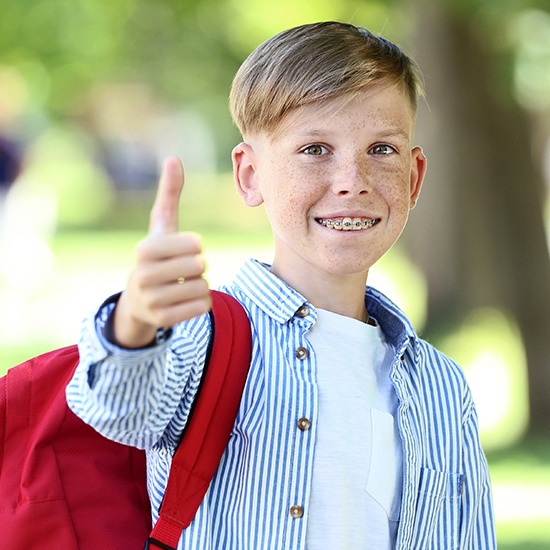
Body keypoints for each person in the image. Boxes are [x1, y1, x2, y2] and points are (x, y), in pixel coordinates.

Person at [67, 21, 496, 549]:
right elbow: (116, 409)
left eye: (381, 149)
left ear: (414, 177)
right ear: (250, 176)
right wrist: (133, 321)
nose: (352, 179)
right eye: (315, 148)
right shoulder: (203, 339)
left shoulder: (442, 388)